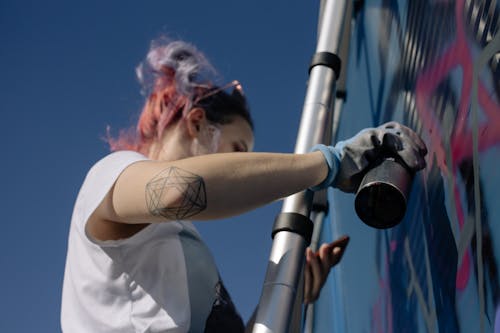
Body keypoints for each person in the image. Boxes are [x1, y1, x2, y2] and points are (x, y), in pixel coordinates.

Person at [61, 39, 427, 333]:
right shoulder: (113, 172)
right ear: (198, 122)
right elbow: (179, 190)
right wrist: (328, 163)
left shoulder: (174, 250)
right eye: (238, 149)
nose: (241, 162)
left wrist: (294, 295)